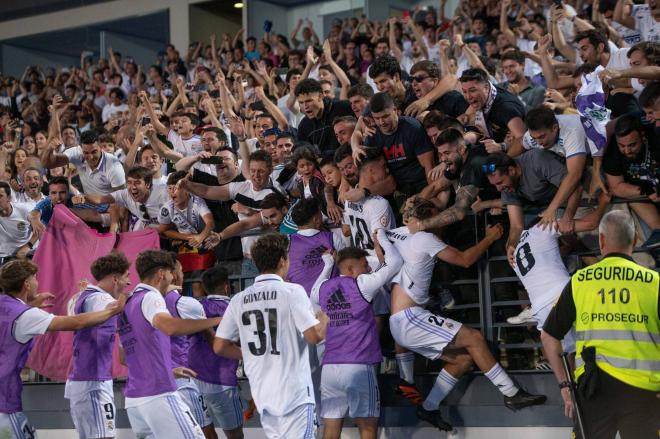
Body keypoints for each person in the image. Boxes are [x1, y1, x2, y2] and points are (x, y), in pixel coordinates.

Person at [388, 199, 546, 431]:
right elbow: (465, 260)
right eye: (438, 217)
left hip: (401, 322)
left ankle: (429, 407)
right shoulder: (425, 238)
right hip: (410, 319)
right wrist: (490, 238)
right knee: (475, 338)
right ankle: (512, 393)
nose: (443, 222)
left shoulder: (399, 233)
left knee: (462, 360)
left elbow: (379, 236)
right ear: (429, 218)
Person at [541, 210, 660, 438]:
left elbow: (548, 336)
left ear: (601, 239)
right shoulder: (654, 282)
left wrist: (565, 387)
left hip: (594, 389)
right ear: (634, 240)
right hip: (644, 391)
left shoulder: (580, 282)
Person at [214, 233, 330, 439]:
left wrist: (249, 354)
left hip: (263, 395)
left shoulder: (239, 299)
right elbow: (313, 337)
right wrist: (325, 320)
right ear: (282, 261)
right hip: (295, 396)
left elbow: (220, 346)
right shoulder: (292, 291)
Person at [0, 259, 126, 439]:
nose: (38, 283)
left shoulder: (15, 309)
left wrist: (29, 307)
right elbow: (76, 322)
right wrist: (113, 310)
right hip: (4, 404)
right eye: (35, 278)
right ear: (26, 284)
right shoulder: (25, 315)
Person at [117, 250, 220, 439]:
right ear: (161, 274)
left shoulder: (128, 303)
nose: (174, 278)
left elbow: (125, 357)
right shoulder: (151, 297)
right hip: (159, 394)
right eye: (172, 272)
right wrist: (215, 320)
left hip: (134, 400)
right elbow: (170, 327)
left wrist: (169, 369)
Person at [311, 231, 403, 439]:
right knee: (368, 428)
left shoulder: (323, 288)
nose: (369, 268)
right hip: (358, 365)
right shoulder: (362, 284)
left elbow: (313, 292)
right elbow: (395, 262)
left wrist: (327, 264)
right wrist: (382, 238)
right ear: (351, 269)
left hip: (330, 368)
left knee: (330, 430)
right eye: (365, 265)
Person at [64, 253, 131, 439]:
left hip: (85, 379)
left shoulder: (83, 297)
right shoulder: (101, 300)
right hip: (93, 382)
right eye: (126, 277)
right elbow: (123, 307)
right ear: (115, 279)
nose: (129, 282)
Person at [189, 267, 243, 439]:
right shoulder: (235, 308)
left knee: (206, 433)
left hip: (194, 380)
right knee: (235, 435)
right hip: (222, 382)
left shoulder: (195, 307)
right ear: (227, 287)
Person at [164, 260, 214, 438]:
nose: (183, 274)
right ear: (172, 273)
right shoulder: (185, 303)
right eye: (182, 270)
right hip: (182, 379)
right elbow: (212, 339)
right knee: (206, 432)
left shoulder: (137, 302)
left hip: (154, 382)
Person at [41, 130, 126, 195]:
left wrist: (97, 202)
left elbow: (121, 198)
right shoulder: (76, 153)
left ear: (100, 147)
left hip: (109, 208)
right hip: (88, 204)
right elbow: (47, 164)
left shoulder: (114, 166)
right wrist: (49, 149)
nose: (91, 157)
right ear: (80, 148)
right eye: (86, 153)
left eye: (94, 152)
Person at [459, 68, 526, 144]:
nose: (468, 96)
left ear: (486, 87)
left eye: (472, 90)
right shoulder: (485, 95)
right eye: (464, 91)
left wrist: (502, 148)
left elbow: (522, 139)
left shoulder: (505, 107)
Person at [295, 78, 354, 158]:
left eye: (309, 101)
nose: (305, 106)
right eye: (301, 102)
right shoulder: (304, 126)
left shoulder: (343, 108)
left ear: (320, 96)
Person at [0, 181, 35, 263]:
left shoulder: (26, 210)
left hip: (26, 254)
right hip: (4, 257)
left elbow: (41, 229)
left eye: (0, 196)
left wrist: (28, 246)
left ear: (9, 198)